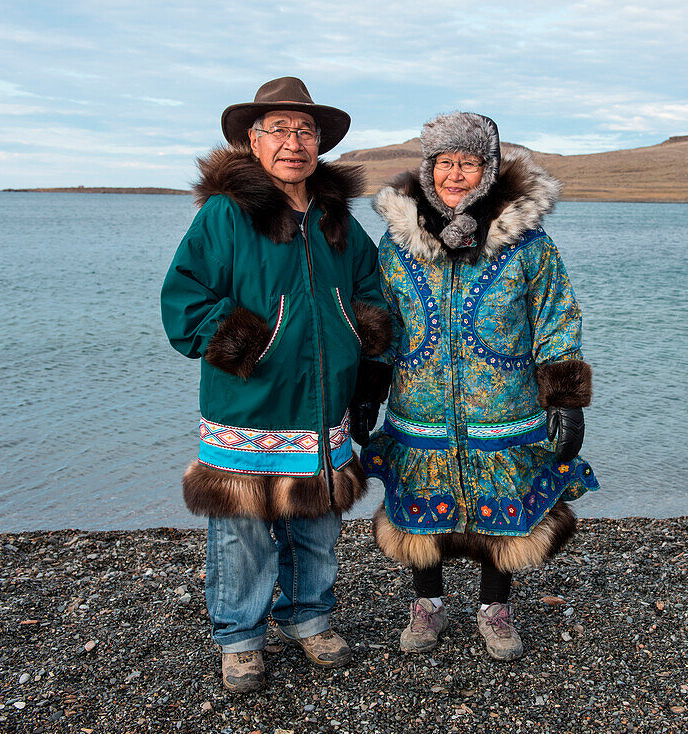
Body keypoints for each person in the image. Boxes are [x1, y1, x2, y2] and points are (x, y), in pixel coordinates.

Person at [160, 77, 391, 693]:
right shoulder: (225, 214)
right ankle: (240, 637)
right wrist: (249, 340)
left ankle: (308, 617)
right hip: (248, 401)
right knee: (241, 529)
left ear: (320, 144)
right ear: (254, 143)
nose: (294, 142)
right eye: (280, 130)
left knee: (316, 522)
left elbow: (370, 286)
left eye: (305, 131)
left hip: (323, 403)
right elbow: (184, 302)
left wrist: (360, 337)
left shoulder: (334, 217)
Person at [361, 112, 599, 661]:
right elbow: (380, 319)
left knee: (502, 514)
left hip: (506, 407)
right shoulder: (396, 244)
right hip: (419, 406)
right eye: (445, 163)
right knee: (420, 509)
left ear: (487, 171)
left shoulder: (530, 245)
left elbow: (556, 317)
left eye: (468, 163)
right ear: (428, 170)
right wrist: (368, 387)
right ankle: (428, 606)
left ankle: (494, 610)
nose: (455, 174)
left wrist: (564, 398)